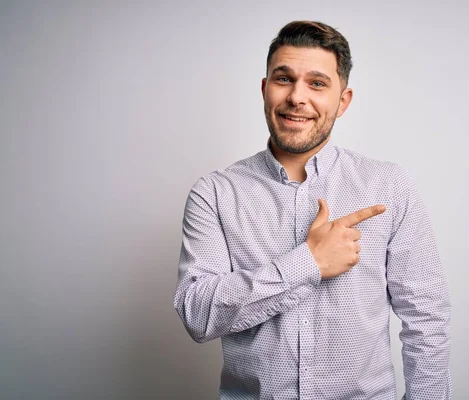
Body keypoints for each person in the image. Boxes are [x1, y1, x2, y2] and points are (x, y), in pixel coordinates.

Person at [174, 20, 451, 400]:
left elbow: (426, 320)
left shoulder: (389, 187)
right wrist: (308, 262)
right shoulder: (215, 193)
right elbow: (198, 315)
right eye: (283, 79)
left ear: (343, 100)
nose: (296, 97)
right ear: (264, 89)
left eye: (317, 83)